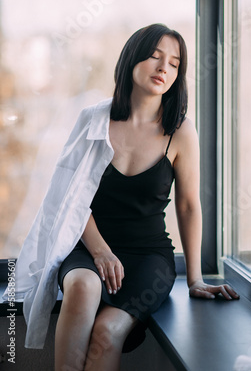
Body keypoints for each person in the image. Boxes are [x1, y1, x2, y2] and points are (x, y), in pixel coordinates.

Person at [4, 23, 239, 370]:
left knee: (106, 332)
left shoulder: (181, 130)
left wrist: (195, 278)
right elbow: (69, 199)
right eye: (155, 57)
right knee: (83, 286)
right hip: (89, 246)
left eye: (174, 63)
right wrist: (100, 251)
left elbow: (189, 205)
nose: (163, 68)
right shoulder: (93, 120)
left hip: (148, 256)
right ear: (132, 59)